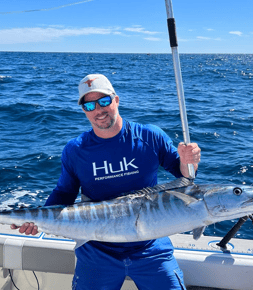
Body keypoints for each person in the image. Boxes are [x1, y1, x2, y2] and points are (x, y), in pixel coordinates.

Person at [11, 74, 201, 290]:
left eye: (104, 101)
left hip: (150, 246)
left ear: (116, 100)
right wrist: (38, 220)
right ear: (84, 110)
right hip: (96, 249)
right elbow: (64, 193)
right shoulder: (75, 150)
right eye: (89, 105)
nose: (98, 110)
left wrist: (189, 161)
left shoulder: (150, 136)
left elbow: (185, 178)